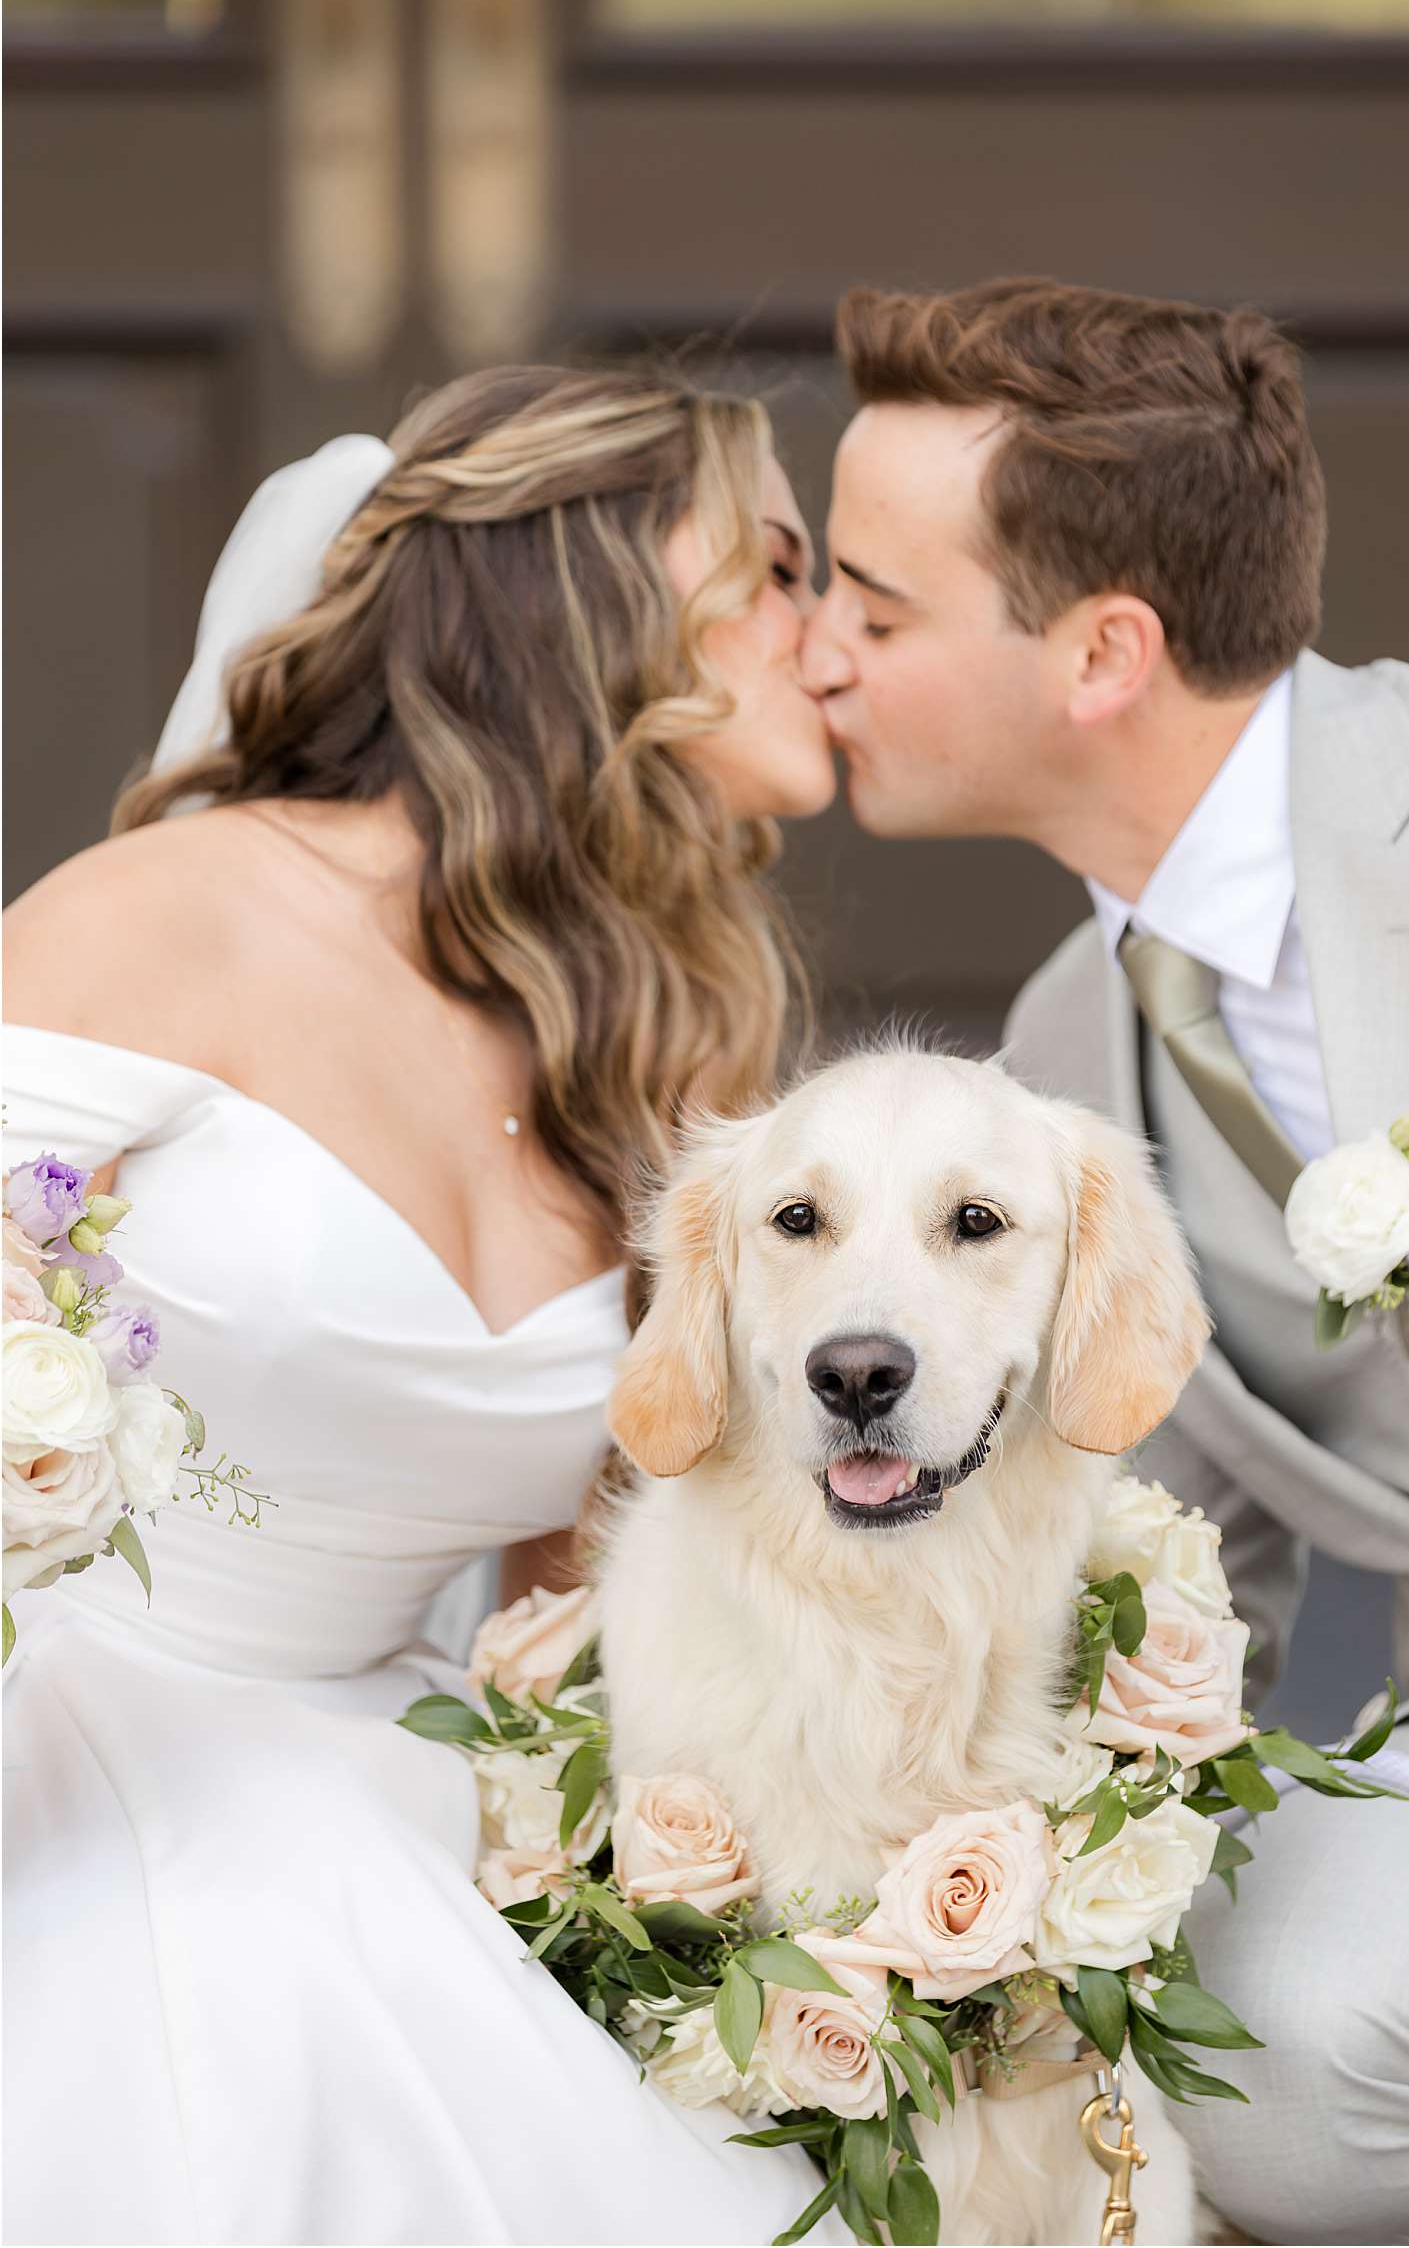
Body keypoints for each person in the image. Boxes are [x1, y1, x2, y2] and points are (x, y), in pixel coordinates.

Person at [2, 366, 850, 2246]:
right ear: (607, 588)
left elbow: (587, 1581)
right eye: (782, 563)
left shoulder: (660, 1038)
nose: (835, 626)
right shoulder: (181, 912)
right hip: (77, 1748)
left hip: (409, 1775)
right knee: (253, 1974)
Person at [800, 276, 1409, 2246]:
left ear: (1102, 650)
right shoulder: (1057, 1061)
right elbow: (1167, 1561)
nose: (812, 656)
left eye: (872, 607)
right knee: (1263, 2044)